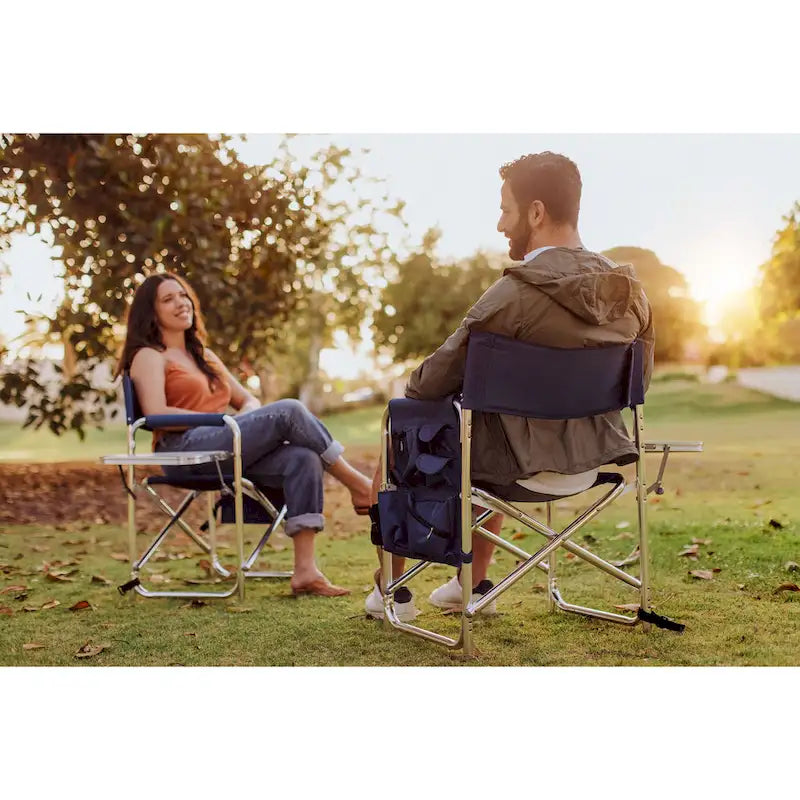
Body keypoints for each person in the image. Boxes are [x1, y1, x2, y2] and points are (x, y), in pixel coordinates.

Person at [365, 151, 655, 621]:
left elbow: (430, 383)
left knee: (403, 425)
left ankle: (393, 590)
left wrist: (410, 389)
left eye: (505, 210)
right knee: (486, 424)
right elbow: (638, 383)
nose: (501, 225)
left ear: (536, 212)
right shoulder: (632, 295)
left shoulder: (514, 294)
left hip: (513, 468)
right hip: (595, 463)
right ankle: (473, 584)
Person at [116, 272, 374, 597]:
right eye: (168, 299)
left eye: (182, 295)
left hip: (227, 445)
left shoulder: (205, 356)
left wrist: (244, 417)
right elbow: (155, 413)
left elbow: (247, 399)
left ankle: (305, 572)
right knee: (290, 410)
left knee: (303, 457)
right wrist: (223, 420)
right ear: (151, 313)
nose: (180, 303)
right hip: (185, 451)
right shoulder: (149, 356)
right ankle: (359, 485)